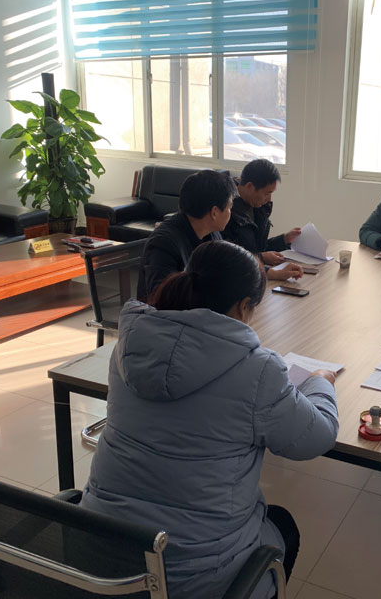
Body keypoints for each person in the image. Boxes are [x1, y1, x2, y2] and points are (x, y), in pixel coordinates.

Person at [82, 240, 339, 599]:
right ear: (243, 306)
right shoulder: (258, 370)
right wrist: (319, 383)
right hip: (189, 577)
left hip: (96, 556)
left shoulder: (129, 346)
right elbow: (318, 436)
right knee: (283, 527)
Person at [136, 169, 234, 301]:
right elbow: (161, 299)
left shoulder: (212, 234)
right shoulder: (163, 243)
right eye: (229, 208)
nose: (230, 213)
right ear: (214, 212)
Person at [222, 158, 304, 281]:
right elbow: (230, 258)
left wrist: (284, 239)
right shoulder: (225, 211)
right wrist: (262, 258)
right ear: (250, 186)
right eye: (267, 193)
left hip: (256, 275)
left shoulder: (259, 207)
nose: (269, 199)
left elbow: (258, 247)